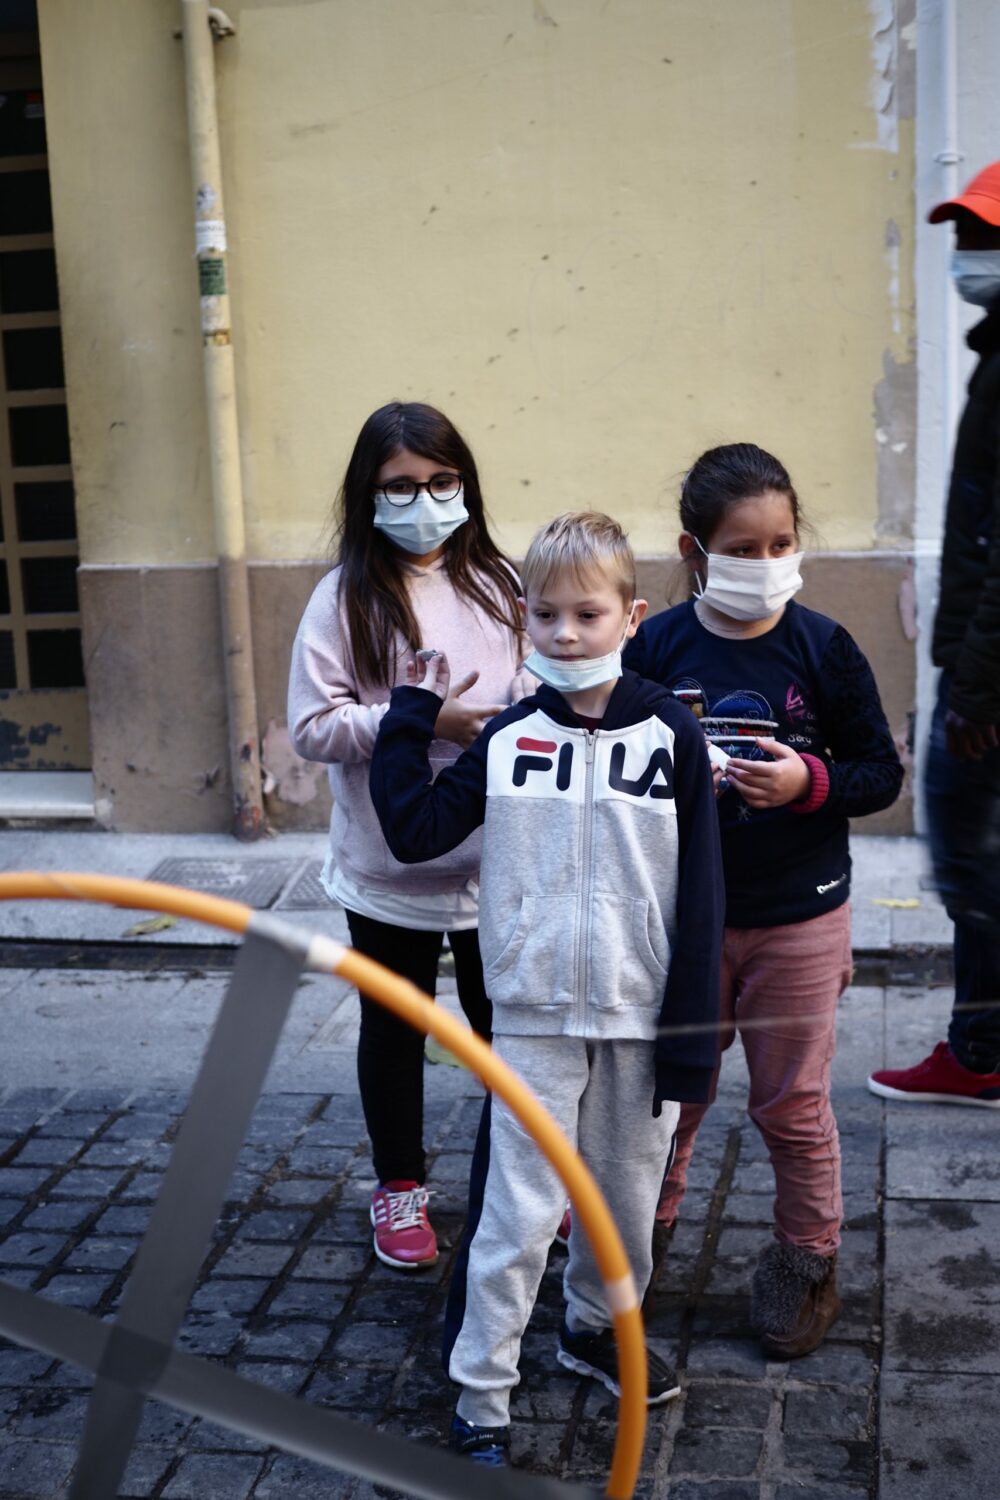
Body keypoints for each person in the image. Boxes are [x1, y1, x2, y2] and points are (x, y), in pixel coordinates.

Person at [370, 512, 724, 1466]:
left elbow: (702, 896)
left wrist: (691, 1037)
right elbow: (414, 830)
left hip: (642, 1018)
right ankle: (482, 1396)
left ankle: (593, 1330)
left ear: (631, 617)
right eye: (545, 615)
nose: (565, 634)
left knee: (625, 1208)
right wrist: (411, 714)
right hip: (530, 1019)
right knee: (517, 1214)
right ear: (523, 619)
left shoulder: (674, 735)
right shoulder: (510, 736)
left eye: (587, 614)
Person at [625, 444, 903, 1359]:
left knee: (792, 1105)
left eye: (781, 543)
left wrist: (807, 782)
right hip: (687, 919)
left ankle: (806, 1260)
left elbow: (878, 774)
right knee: (669, 1097)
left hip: (800, 918)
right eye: (743, 549)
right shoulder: (656, 647)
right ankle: (638, 1239)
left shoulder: (825, 647)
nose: (767, 562)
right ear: (695, 550)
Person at [288, 400, 528, 1271]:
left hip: (498, 860)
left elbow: (538, 685)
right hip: (387, 867)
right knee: (394, 1032)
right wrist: (416, 718)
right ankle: (398, 1187)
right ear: (368, 493)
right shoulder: (343, 597)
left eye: (440, 481)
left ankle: (523, 1181)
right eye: (400, 486)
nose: (423, 501)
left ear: (465, 483)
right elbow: (313, 725)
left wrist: (504, 718)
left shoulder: (501, 582)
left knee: (508, 1032)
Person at [868, 161, 1000, 1109]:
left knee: (969, 857)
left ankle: (981, 1051)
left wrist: (977, 684)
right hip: (979, 661)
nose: (968, 255)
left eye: (985, 238)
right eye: (964, 236)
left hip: (987, 674)